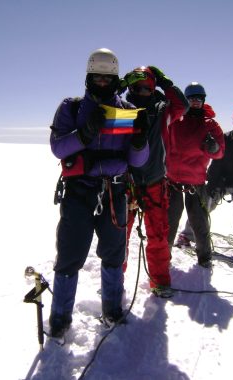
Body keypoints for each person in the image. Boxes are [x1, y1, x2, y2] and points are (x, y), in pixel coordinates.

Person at [48, 48, 150, 337]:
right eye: (98, 78)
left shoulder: (128, 112)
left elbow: (137, 160)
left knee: (114, 253)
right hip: (79, 191)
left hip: (114, 191)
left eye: (108, 79)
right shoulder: (71, 108)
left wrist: (140, 140)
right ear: (88, 78)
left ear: (115, 79)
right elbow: (58, 147)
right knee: (70, 254)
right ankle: (59, 317)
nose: (103, 83)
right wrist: (83, 135)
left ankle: (112, 308)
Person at [122, 66, 188, 298]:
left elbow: (182, 106)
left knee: (158, 235)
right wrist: (116, 87)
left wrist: (165, 82)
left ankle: (159, 280)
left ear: (153, 88)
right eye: (136, 87)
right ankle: (114, 277)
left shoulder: (162, 111)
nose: (141, 91)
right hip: (126, 181)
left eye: (147, 87)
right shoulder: (120, 108)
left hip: (154, 180)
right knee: (120, 235)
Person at [177, 108, 233, 257]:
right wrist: (211, 182)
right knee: (203, 209)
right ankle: (187, 236)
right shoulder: (226, 138)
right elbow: (217, 161)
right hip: (221, 182)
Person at [165, 82, 225, 268]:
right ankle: (163, 257)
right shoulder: (175, 120)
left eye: (199, 98)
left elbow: (220, 152)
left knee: (199, 223)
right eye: (192, 99)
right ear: (186, 100)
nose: (196, 102)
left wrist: (213, 147)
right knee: (170, 221)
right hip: (173, 179)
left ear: (203, 100)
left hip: (196, 181)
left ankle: (205, 257)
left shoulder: (210, 125)